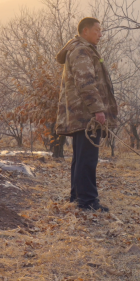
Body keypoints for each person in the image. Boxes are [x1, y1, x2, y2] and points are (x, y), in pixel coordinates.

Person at [55, 17, 118, 212]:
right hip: (85, 114)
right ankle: (88, 202)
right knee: (87, 159)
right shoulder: (81, 50)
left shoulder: (82, 49)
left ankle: (78, 198)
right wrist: (98, 110)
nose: (100, 34)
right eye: (97, 30)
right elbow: (86, 83)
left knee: (81, 158)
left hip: (81, 113)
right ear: (85, 31)